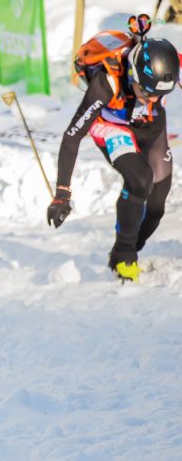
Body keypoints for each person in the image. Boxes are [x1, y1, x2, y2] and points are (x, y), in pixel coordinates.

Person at [46, 35, 179, 282]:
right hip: (112, 126)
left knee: (156, 208)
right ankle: (124, 257)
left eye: (159, 94)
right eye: (146, 92)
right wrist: (62, 194)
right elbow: (72, 136)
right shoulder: (106, 83)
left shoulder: (170, 66)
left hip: (151, 127)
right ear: (132, 75)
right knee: (140, 180)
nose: (151, 99)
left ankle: (126, 248)